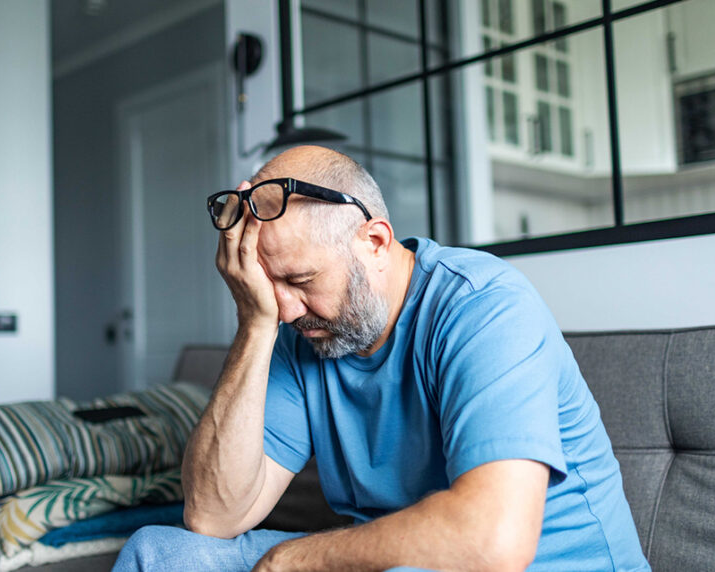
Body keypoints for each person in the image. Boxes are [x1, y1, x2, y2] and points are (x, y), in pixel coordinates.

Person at [113, 146, 649, 571]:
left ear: (374, 241)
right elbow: (211, 514)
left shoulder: (483, 307)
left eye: (300, 281)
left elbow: (494, 541)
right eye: (265, 286)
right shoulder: (299, 331)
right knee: (160, 554)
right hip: (392, 561)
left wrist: (292, 561)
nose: (286, 307)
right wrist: (254, 322)